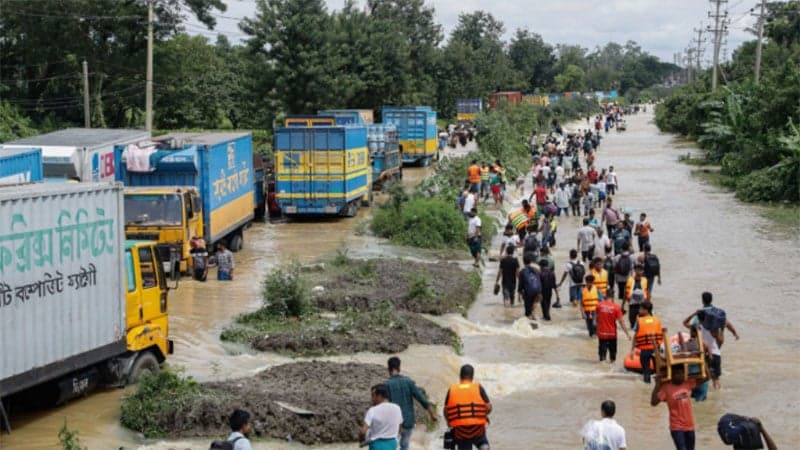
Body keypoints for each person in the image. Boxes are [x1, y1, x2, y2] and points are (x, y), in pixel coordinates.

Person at [385, 357, 437, 450]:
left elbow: (384, 406)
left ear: (389, 369)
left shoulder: (386, 385)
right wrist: (432, 414)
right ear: (399, 368)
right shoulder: (408, 382)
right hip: (408, 421)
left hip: (394, 423)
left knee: (392, 446)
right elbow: (422, 399)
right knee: (405, 446)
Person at [651, 365, 705, 450]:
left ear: (684, 374)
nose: (678, 376)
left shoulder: (688, 383)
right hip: (676, 427)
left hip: (690, 426)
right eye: (676, 373)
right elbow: (653, 402)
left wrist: (703, 362)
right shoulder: (666, 387)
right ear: (671, 374)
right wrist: (657, 384)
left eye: (681, 373)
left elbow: (706, 377)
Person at [444, 364, 492, 450]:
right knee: (482, 441)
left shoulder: (452, 389)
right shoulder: (478, 387)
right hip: (478, 430)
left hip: (461, 432)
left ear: (460, 376)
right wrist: (483, 414)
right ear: (472, 376)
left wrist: (448, 422)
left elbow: (446, 411)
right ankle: (483, 446)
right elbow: (488, 407)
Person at [682, 312, 722, 390]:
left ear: (698, 318)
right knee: (716, 379)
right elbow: (719, 339)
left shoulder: (697, 328)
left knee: (704, 377)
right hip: (716, 353)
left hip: (706, 354)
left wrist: (693, 314)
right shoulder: (712, 327)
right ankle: (718, 398)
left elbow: (684, 323)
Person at [360, 384, 403, 450]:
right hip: (392, 444)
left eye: (373, 396)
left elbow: (363, 431)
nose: (372, 399)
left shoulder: (373, 410)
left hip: (376, 445)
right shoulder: (397, 408)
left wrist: (362, 441)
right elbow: (400, 428)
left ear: (380, 396)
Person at [631, 303, 663, 383]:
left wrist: (632, 350)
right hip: (656, 349)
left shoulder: (639, 321)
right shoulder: (657, 320)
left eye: (641, 309)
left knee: (646, 371)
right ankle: (658, 387)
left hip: (645, 350)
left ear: (646, 310)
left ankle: (647, 386)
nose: (639, 311)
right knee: (658, 371)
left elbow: (635, 336)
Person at [596, 291, 630, 363]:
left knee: (602, 358)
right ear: (613, 296)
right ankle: (611, 370)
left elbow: (597, 318)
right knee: (612, 357)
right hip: (612, 334)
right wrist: (627, 334)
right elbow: (621, 322)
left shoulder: (599, 305)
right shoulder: (616, 307)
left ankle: (601, 372)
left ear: (605, 295)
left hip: (602, 334)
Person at [519, 253, 542, 320]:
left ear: (523, 262)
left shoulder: (522, 271)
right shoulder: (536, 270)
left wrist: (520, 293)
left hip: (528, 292)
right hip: (537, 290)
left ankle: (529, 322)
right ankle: (534, 318)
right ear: (531, 261)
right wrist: (540, 292)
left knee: (527, 311)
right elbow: (539, 280)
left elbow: (521, 284)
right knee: (534, 307)